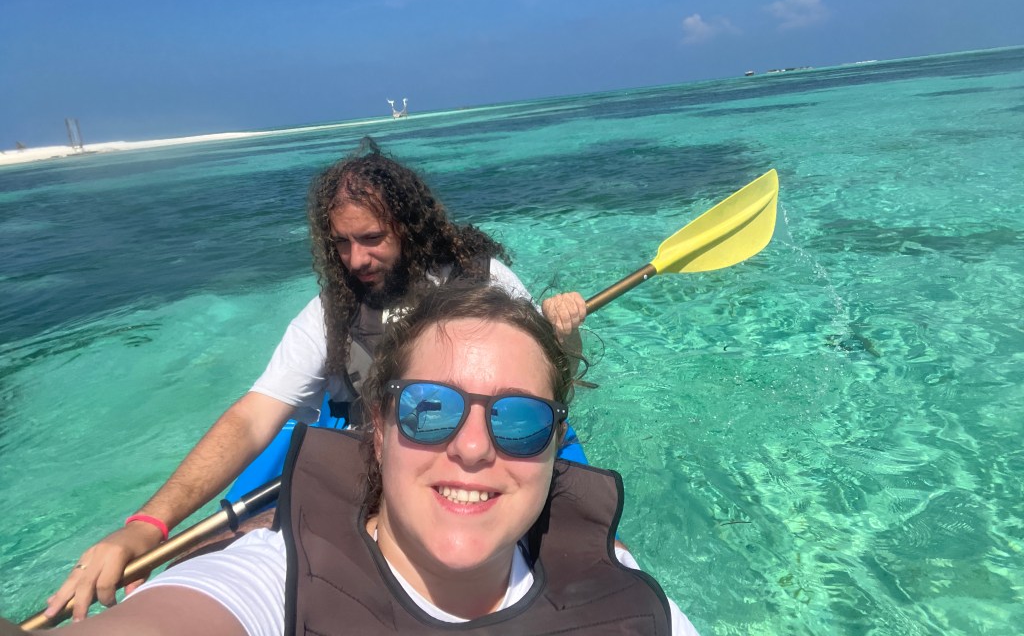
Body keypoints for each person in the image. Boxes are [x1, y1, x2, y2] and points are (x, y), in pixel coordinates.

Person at [47, 138, 588, 622]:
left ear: (409, 227)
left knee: (586, 550)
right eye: (342, 244)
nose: (356, 260)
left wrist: (565, 337)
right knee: (226, 546)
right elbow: (255, 417)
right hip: (371, 454)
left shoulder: (483, 281)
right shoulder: (331, 315)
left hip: (477, 444)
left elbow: (549, 381)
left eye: (371, 238)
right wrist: (148, 525)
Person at [35, 284, 698, 635]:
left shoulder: (623, 594)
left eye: (519, 419)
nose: (472, 448)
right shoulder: (279, 580)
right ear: (376, 430)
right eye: (430, 408)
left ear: (556, 445)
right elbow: (255, 417)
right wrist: (148, 524)